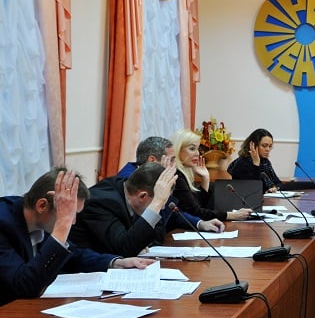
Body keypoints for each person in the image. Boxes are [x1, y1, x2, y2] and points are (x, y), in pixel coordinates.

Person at [0, 168, 152, 307]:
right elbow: (24, 286)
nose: (72, 222)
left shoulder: (42, 222)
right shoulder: (3, 224)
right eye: (68, 214)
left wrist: (116, 262)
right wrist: (62, 224)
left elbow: (75, 256)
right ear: (42, 206)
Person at [69, 163, 224, 257]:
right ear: (142, 196)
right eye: (160, 203)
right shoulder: (102, 203)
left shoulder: (129, 191)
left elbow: (157, 236)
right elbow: (126, 248)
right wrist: (156, 202)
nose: (162, 208)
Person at [172, 129, 251, 221]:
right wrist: (231, 215)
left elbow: (199, 206)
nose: (197, 153)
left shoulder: (182, 173)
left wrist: (205, 178)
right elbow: (196, 212)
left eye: (198, 149)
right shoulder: (176, 176)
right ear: (178, 150)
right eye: (192, 149)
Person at [228, 128, 282, 193]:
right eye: (264, 146)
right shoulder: (242, 163)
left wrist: (275, 188)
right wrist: (256, 164)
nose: (268, 149)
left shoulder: (265, 162)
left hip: (267, 198)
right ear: (254, 145)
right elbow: (253, 189)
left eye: (270, 146)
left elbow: (278, 183)